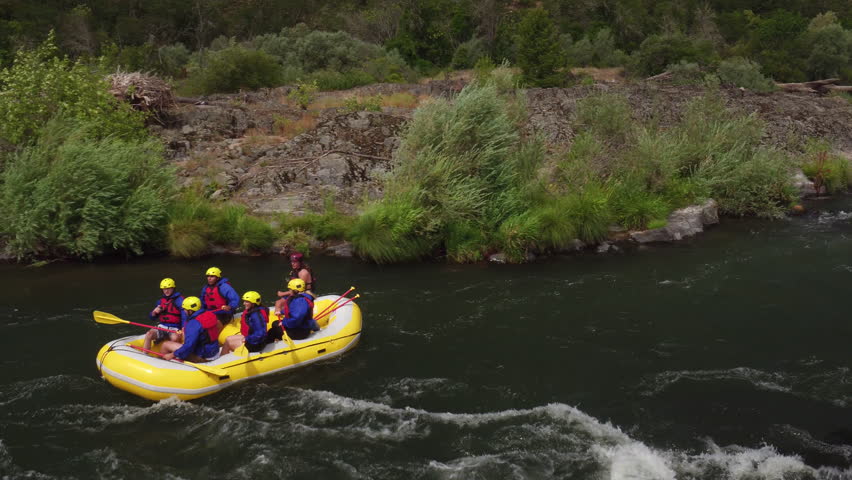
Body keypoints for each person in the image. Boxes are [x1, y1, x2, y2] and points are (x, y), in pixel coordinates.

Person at [161, 296, 230, 363]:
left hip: (203, 357)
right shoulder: (210, 314)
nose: (184, 311)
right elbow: (219, 325)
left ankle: (163, 365)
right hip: (215, 352)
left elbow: (188, 346)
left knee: (165, 345)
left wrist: (172, 355)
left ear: (190, 311)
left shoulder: (193, 323)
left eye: (185, 309)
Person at [221, 291, 278, 355]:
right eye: (244, 301)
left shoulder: (256, 315)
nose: (244, 303)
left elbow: (261, 333)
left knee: (229, 343)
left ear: (253, 303)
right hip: (252, 339)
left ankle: (223, 360)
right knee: (228, 339)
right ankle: (222, 358)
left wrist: (247, 338)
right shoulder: (252, 311)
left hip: (255, 345)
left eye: (247, 302)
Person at [142, 278, 185, 351]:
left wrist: (183, 328)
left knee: (175, 338)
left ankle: (171, 356)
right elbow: (152, 318)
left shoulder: (180, 300)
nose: (166, 291)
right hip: (162, 327)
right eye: (164, 289)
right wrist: (154, 313)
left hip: (174, 328)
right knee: (149, 334)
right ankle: (145, 354)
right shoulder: (160, 301)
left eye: (168, 288)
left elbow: (184, 316)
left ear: (173, 288)